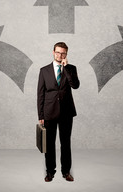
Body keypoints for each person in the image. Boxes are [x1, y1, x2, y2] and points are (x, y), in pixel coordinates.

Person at [37, 42, 80, 182]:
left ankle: (66, 171)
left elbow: (75, 85)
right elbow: (41, 94)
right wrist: (41, 115)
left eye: (63, 53)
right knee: (49, 144)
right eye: (58, 52)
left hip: (66, 113)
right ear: (53, 52)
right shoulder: (44, 71)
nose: (60, 55)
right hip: (49, 112)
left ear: (66, 54)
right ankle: (50, 172)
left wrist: (66, 68)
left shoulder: (71, 68)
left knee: (65, 143)